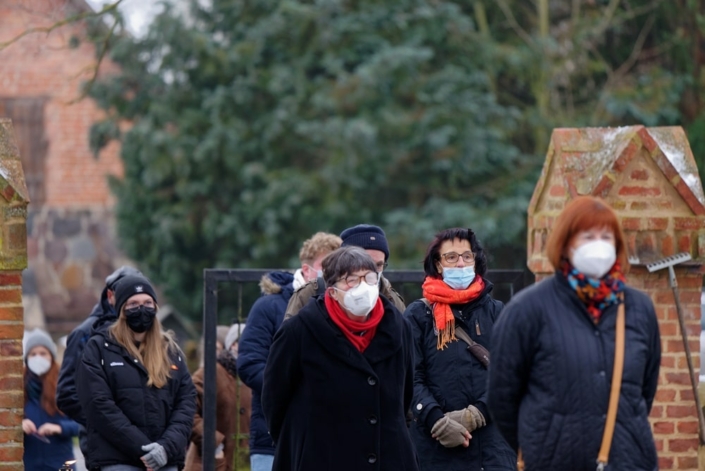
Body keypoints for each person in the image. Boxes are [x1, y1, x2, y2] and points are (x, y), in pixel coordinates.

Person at [488, 196, 661, 471]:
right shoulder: (527, 310)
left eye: (606, 237)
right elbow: (502, 397)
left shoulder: (639, 309)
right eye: (588, 236)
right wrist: (540, 446)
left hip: (629, 461)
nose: (598, 246)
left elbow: (644, 390)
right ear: (566, 244)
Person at [262, 246, 418, 471]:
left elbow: (405, 395)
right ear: (332, 291)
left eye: (369, 278)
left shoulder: (399, 327)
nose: (363, 287)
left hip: (387, 455)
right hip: (321, 456)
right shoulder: (299, 331)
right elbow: (275, 398)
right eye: (351, 280)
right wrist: (298, 442)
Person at [404, 228, 516, 470]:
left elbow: (510, 376)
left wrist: (476, 415)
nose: (461, 263)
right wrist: (437, 420)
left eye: (467, 256)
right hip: (435, 447)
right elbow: (410, 377)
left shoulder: (497, 312)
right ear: (438, 264)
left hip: (492, 449)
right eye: (451, 257)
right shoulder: (419, 315)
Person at [236, 232, 340, 471]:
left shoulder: (342, 308)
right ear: (306, 270)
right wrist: (295, 388)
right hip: (274, 437)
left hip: (327, 437)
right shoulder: (268, 307)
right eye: (326, 267)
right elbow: (250, 364)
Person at [76, 274, 196, 471]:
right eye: (134, 303)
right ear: (122, 309)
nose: (142, 309)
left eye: (148, 302)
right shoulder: (98, 349)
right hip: (117, 460)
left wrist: (165, 448)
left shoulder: (171, 351)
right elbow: (99, 406)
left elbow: (186, 403)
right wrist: (143, 449)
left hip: (165, 460)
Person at [57, 265, 141, 426]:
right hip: (102, 443)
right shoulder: (85, 334)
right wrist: (106, 426)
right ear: (110, 295)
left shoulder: (146, 332)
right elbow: (67, 394)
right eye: (126, 294)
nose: (134, 305)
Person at [285, 224, 405, 319]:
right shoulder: (309, 293)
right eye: (365, 264)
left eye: (378, 265)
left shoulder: (392, 299)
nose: (371, 271)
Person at [185, 324, 252, 471]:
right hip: (209, 463)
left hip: (242, 463)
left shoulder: (251, 377)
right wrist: (215, 445)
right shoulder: (210, 372)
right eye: (250, 342)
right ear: (234, 345)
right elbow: (186, 410)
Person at [23, 328, 80, 471]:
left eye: (43, 353)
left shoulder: (65, 384)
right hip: (28, 464)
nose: (38, 358)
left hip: (60, 463)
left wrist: (60, 428)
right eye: (33, 354)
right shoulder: (17, 387)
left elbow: (83, 423)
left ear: (51, 356)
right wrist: (20, 424)